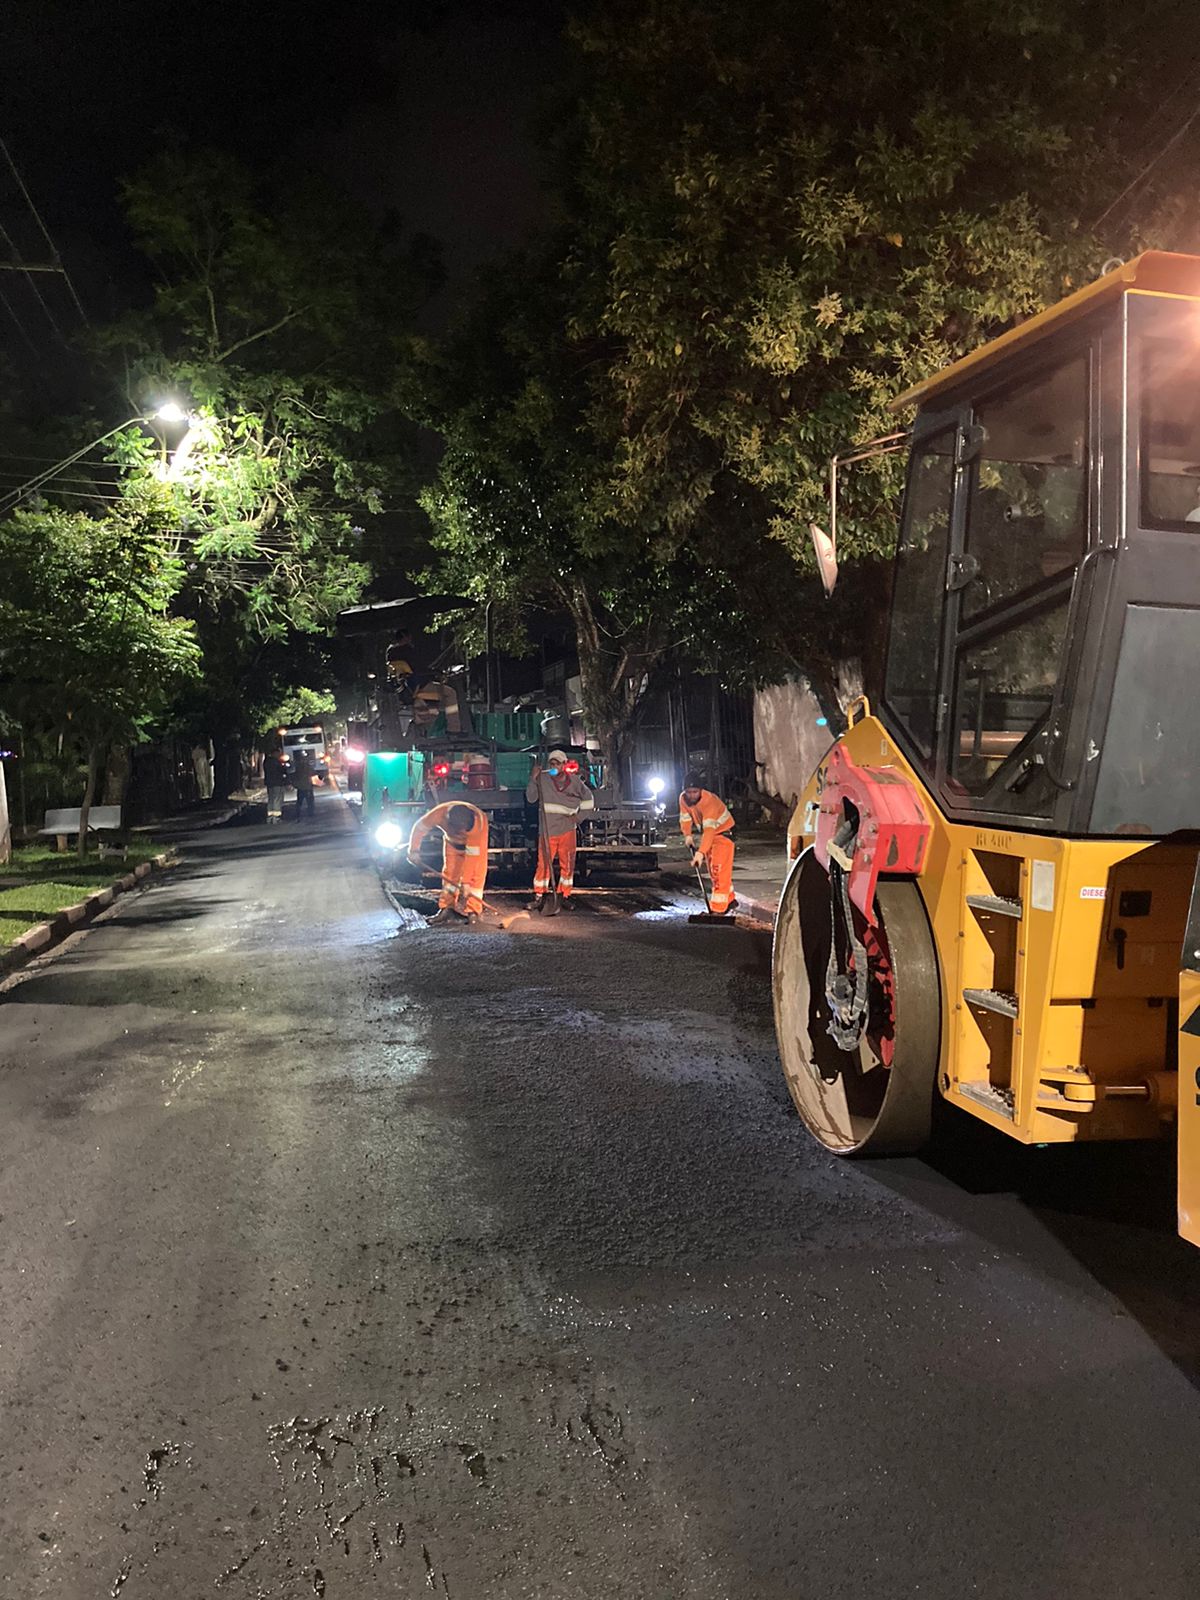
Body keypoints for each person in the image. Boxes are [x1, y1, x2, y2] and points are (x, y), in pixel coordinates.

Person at [526, 749, 594, 913]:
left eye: (557, 763)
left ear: (564, 764)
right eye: (552, 763)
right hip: (548, 830)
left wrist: (578, 818)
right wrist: (533, 779)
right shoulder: (542, 778)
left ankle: (564, 895)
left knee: (567, 865)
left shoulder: (575, 782)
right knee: (543, 864)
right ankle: (539, 896)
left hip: (567, 830)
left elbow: (589, 800)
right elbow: (531, 798)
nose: (554, 766)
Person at [407, 800, 489, 925]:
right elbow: (419, 828)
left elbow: (472, 858)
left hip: (476, 844)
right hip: (452, 843)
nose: (463, 834)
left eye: (465, 831)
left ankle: (473, 911)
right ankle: (447, 908)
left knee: (476, 876)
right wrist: (413, 850)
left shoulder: (478, 824)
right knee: (450, 874)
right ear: (449, 824)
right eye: (460, 831)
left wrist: (466, 882)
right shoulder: (438, 815)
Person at [679, 770, 737, 916]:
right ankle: (729, 900)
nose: (692, 795)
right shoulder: (683, 799)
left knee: (718, 871)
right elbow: (685, 818)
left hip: (723, 834)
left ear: (701, 790)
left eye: (695, 792)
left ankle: (718, 909)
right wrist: (687, 835)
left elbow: (710, 831)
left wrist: (700, 853)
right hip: (711, 836)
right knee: (714, 872)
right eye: (688, 792)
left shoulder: (709, 801)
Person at [263, 748, 286, 823]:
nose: (279, 755)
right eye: (278, 753)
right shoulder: (276, 762)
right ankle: (276, 817)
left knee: (271, 799)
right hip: (277, 783)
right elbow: (281, 770)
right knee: (277, 799)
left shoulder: (266, 762)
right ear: (274, 753)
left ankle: (270, 817)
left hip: (269, 783)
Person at [291, 748, 315, 818]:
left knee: (300, 801)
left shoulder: (298, 766)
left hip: (301, 787)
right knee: (309, 801)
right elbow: (312, 773)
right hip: (307, 786)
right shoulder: (306, 766)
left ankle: (298, 814)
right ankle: (310, 813)